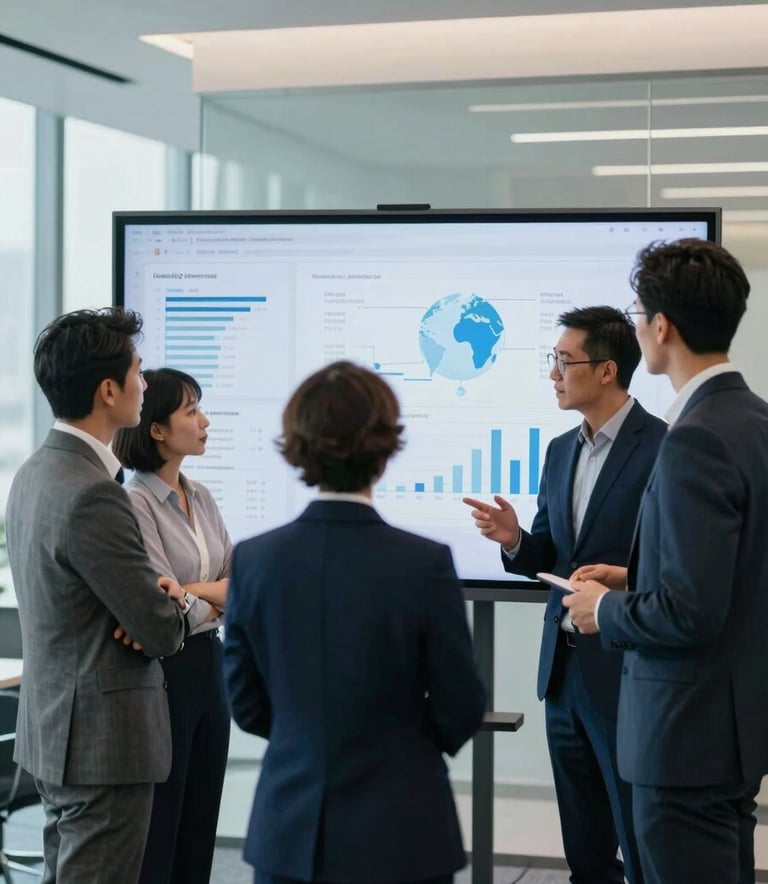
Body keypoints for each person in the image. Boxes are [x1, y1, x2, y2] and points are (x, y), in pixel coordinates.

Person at [223, 360, 486, 884]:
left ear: (298, 446)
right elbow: (462, 704)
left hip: (290, 833)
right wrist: (407, 748)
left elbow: (246, 702)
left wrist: (309, 739)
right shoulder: (423, 563)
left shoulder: (254, 560)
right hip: (404, 829)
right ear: (385, 448)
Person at [564, 239, 768, 884]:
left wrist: (607, 608)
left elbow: (689, 612)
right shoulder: (755, 420)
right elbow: (742, 568)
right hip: (733, 729)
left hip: (682, 737)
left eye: (638, 311)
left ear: (661, 326)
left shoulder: (694, 439)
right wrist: (636, 575)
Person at [464, 306, 666, 884]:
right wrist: (514, 541)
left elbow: (672, 565)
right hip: (564, 676)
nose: (553, 372)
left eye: (563, 360)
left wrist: (620, 580)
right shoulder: (559, 450)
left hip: (629, 671)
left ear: (606, 370)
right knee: (585, 851)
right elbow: (552, 555)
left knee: (641, 842)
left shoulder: (664, 448)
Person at [4, 308, 188, 884]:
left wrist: (146, 605)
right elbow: (158, 627)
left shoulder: (35, 472)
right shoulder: (93, 494)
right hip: (103, 747)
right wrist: (175, 600)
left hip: (57, 732)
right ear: (109, 390)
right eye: (138, 371)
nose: (145, 383)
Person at [112, 368, 232, 884]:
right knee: (163, 826)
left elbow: (236, 586)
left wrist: (192, 593)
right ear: (157, 428)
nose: (205, 421)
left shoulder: (200, 495)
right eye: (191, 410)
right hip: (163, 673)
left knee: (200, 824)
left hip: (212, 668)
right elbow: (162, 607)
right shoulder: (132, 501)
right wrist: (209, 597)